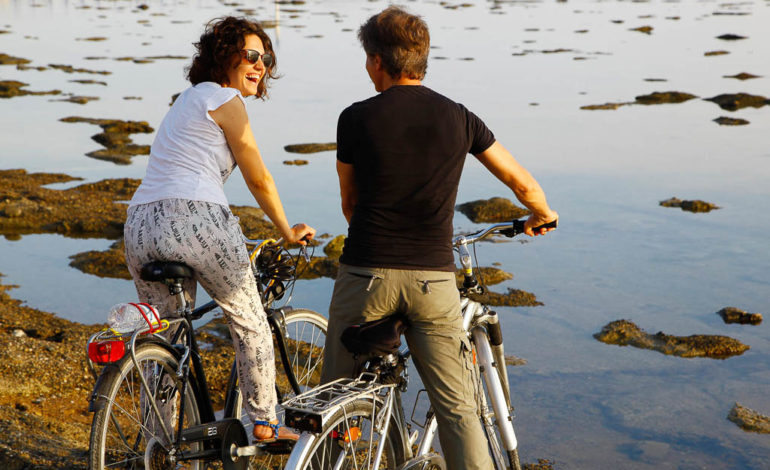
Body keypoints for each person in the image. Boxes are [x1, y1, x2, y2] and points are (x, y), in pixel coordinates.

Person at [320, 6, 558, 470]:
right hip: (433, 281)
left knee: (333, 398)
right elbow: (521, 183)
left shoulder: (355, 118)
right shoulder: (459, 117)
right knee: (458, 410)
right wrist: (541, 213)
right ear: (421, 59)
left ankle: (331, 451)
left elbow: (349, 204)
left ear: (375, 61)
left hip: (366, 272)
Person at [124, 16, 314, 444]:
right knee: (249, 320)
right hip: (196, 218)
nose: (259, 64)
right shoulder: (227, 100)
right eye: (249, 55)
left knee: (167, 342)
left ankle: (157, 444)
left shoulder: (186, 101)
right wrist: (285, 230)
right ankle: (265, 421)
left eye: (265, 58)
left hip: (139, 224)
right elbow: (259, 177)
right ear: (222, 57)